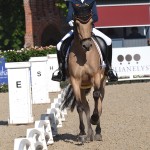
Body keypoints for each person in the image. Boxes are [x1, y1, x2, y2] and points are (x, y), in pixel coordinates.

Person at [52, 0, 118, 82]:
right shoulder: (73, 1)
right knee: (59, 45)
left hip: (89, 28)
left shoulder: (91, 1)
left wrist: (86, 23)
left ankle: (109, 69)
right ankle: (61, 71)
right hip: (77, 29)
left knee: (108, 41)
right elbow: (69, 17)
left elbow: (95, 17)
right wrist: (73, 23)